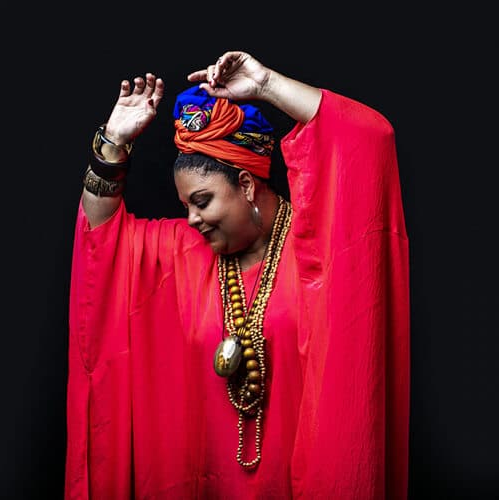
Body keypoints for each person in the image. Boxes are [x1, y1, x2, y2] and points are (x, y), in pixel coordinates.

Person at [65, 50, 410, 499]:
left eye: (202, 201)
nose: (192, 219)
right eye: (186, 206)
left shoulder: (318, 249)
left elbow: (371, 139)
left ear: (245, 185)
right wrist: (113, 142)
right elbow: (101, 240)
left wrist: (266, 85)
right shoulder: (184, 252)